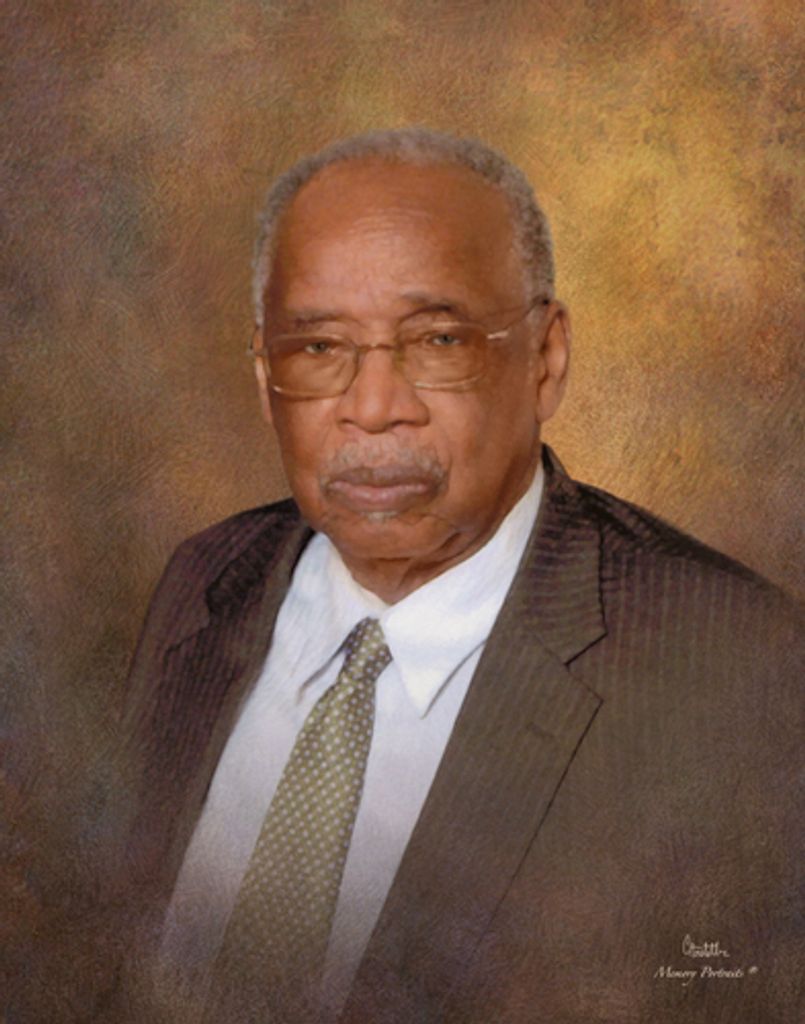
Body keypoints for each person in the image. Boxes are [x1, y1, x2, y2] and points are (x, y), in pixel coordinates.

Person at [111, 129, 801, 1023]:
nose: (372, 409)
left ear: (544, 358)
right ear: (262, 374)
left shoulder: (736, 666)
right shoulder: (206, 583)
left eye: (437, 339)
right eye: (317, 348)